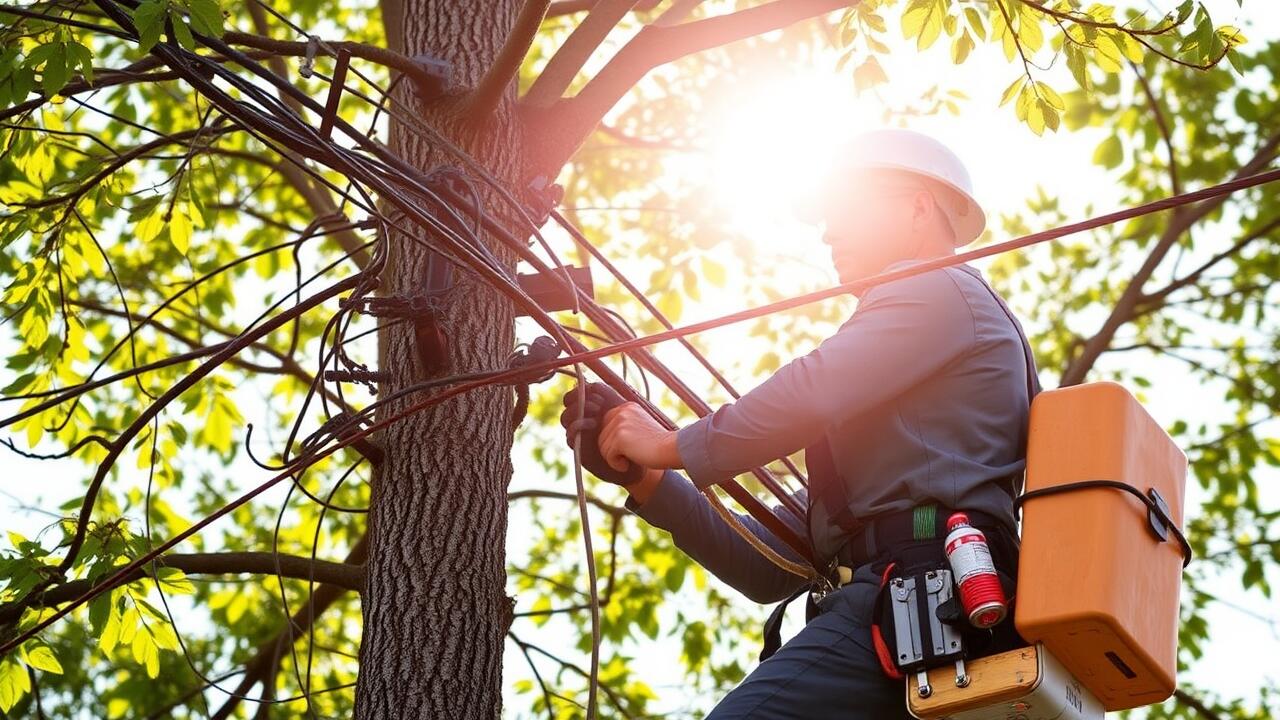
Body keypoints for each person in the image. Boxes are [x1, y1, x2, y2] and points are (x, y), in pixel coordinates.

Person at [559, 128, 1041, 719]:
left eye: (849, 209)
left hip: (929, 593)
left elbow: (810, 389)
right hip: (908, 610)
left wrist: (668, 443)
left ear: (919, 205)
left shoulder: (941, 288)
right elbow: (766, 561)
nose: (829, 231)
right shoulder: (887, 461)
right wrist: (647, 481)